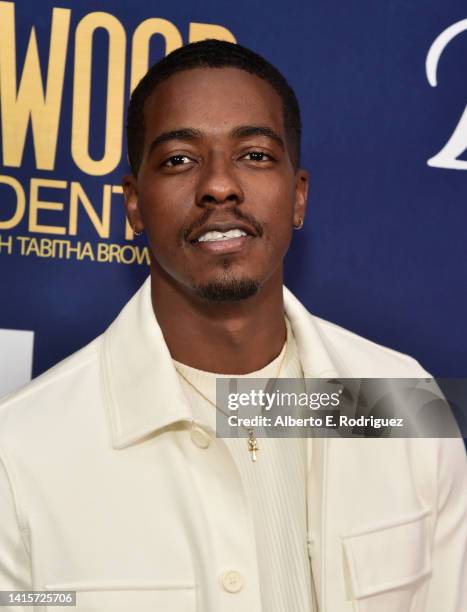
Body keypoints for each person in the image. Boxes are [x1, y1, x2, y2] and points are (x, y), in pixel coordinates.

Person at [0, 39, 465, 612]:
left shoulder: (401, 403)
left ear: (298, 198)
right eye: (179, 160)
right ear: (134, 204)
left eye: (254, 155)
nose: (219, 185)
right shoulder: (18, 452)